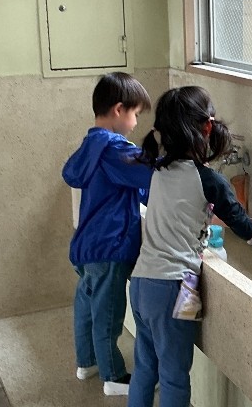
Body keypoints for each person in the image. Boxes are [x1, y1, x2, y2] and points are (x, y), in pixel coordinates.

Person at [127, 86, 252, 407]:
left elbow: (181, 211)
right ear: (208, 127)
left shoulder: (158, 169)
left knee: (145, 368)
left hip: (141, 284)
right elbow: (244, 227)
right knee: (174, 376)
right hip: (176, 288)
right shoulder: (209, 181)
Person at [62, 72, 153, 396]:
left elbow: (126, 185)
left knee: (87, 307)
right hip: (110, 245)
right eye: (135, 114)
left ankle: (86, 363)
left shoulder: (92, 145)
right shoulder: (116, 149)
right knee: (108, 314)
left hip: (88, 243)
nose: (135, 123)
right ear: (118, 110)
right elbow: (154, 175)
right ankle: (114, 377)